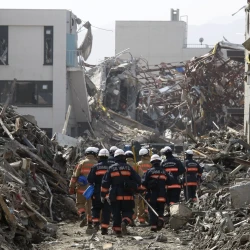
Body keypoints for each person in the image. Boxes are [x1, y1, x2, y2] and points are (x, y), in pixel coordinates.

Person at [101, 149, 141, 236]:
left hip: (115, 195)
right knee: (128, 211)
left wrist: (103, 195)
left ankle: (117, 230)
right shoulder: (129, 167)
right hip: (128, 195)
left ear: (115, 157)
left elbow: (105, 183)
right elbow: (138, 179)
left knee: (116, 213)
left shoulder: (111, 168)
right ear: (124, 157)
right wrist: (138, 190)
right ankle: (125, 221)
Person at [142, 154, 173, 232]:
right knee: (160, 210)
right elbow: (169, 181)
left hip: (152, 195)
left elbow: (143, 182)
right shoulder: (164, 171)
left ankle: (154, 226)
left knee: (152, 211)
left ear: (151, 162)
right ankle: (161, 219)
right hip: (162, 195)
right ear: (159, 162)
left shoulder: (149, 171)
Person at [69, 147, 98, 228]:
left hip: (81, 189)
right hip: (92, 190)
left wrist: (71, 187)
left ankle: (82, 215)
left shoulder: (81, 163)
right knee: (90, 206)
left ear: (86, 154)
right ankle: (89, 223)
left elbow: (75, 176)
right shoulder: (97, 164)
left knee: (80, 204)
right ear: (95, 154)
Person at [87, 149, 112, 235]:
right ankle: (104, 229)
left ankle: (96, 224)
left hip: (97, 191)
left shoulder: (95, 167)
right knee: (106, 210)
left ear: (99, 156)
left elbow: (90, 179)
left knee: (95, 208)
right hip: (108, 191)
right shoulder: (111, 166)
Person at [125, 151, 143, 223]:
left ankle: (125, 219)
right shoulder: (136, 166)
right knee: (134, 204)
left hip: (123, 188)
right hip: (134, 188)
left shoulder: (123, 165)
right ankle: (132, 219)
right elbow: (141, 177)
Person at [137, 148, 152, 224]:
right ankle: (148, 214)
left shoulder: (138, 164)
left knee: (140, 202)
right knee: (149, 201)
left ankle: (141, 219)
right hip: (150, 185)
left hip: (141, 185)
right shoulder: (151, 163)